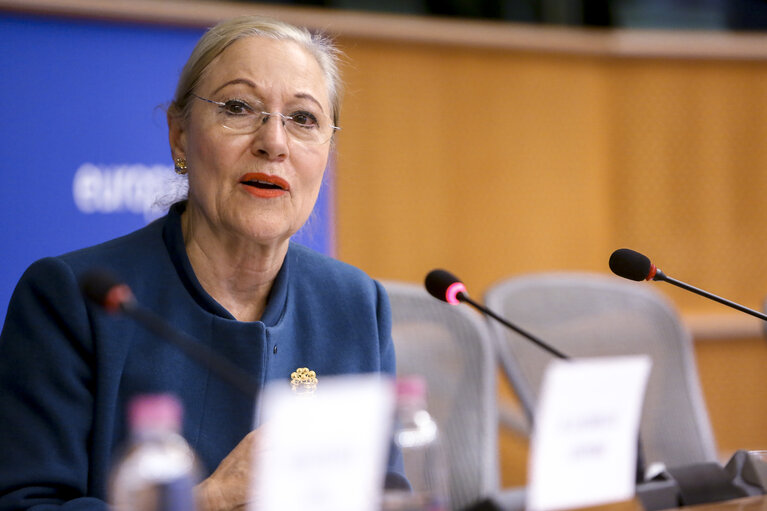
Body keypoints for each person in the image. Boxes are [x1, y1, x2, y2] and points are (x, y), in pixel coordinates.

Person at [0, 15, 405, 511]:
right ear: (180, 136)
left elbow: (390, 498)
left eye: (303, 119)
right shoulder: (72, 299)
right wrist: (205, 502)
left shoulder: (355, 305)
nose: (273, 142)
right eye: (239, 107)